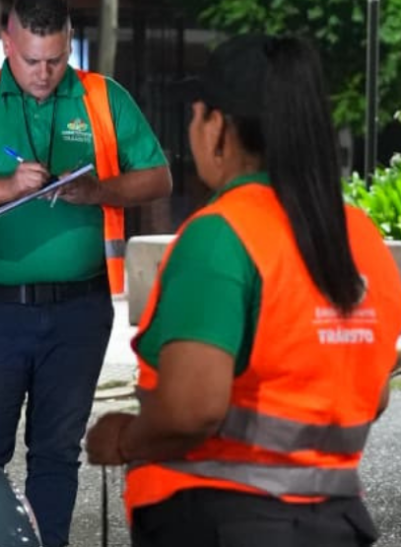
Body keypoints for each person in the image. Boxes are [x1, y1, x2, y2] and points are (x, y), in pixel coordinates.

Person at [86, 34, 401, 547]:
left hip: (221, 520)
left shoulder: (221, 235)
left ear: (217, 128)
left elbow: (194, 408)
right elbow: (374, 393)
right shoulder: (358, 237)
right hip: (335, 523)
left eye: (195, 114)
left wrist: (123, 438)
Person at [0, 0, 172, 547]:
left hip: (79, 310)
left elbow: (158, 178)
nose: (44, 73)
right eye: (32, 60)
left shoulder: (102, 98)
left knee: (56, 455)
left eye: (57, 60)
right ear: (6, 44)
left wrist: (98, 190)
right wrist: (7, 187)